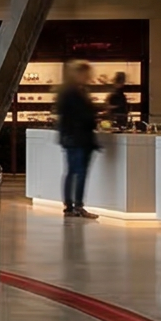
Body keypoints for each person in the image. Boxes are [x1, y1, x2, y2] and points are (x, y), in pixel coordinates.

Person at [54, 59, 100, 219]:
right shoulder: (73, 93)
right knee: (78, 172)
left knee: (73, 172)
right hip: (78, 138)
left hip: (73, 138)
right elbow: (81, 115)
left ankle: (70, 206)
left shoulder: (69, 91)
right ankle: (76, 206)